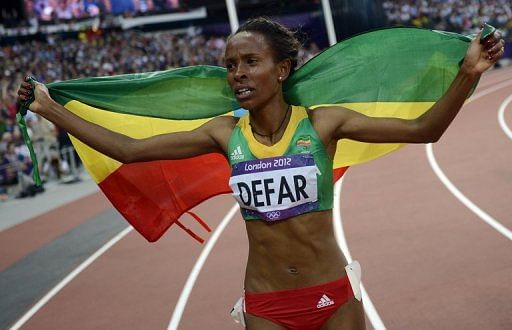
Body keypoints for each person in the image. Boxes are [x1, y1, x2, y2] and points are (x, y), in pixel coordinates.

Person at [17, 17, 504, 329]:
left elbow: (423, 130)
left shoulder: (322, 123)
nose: (238, 74)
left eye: (251, 62)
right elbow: (128, 148)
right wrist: (49, 109)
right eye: (230, 66)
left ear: (284, 69)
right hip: (267, 304)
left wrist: (468, 73)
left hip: (331, 296)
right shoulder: (224, 134)